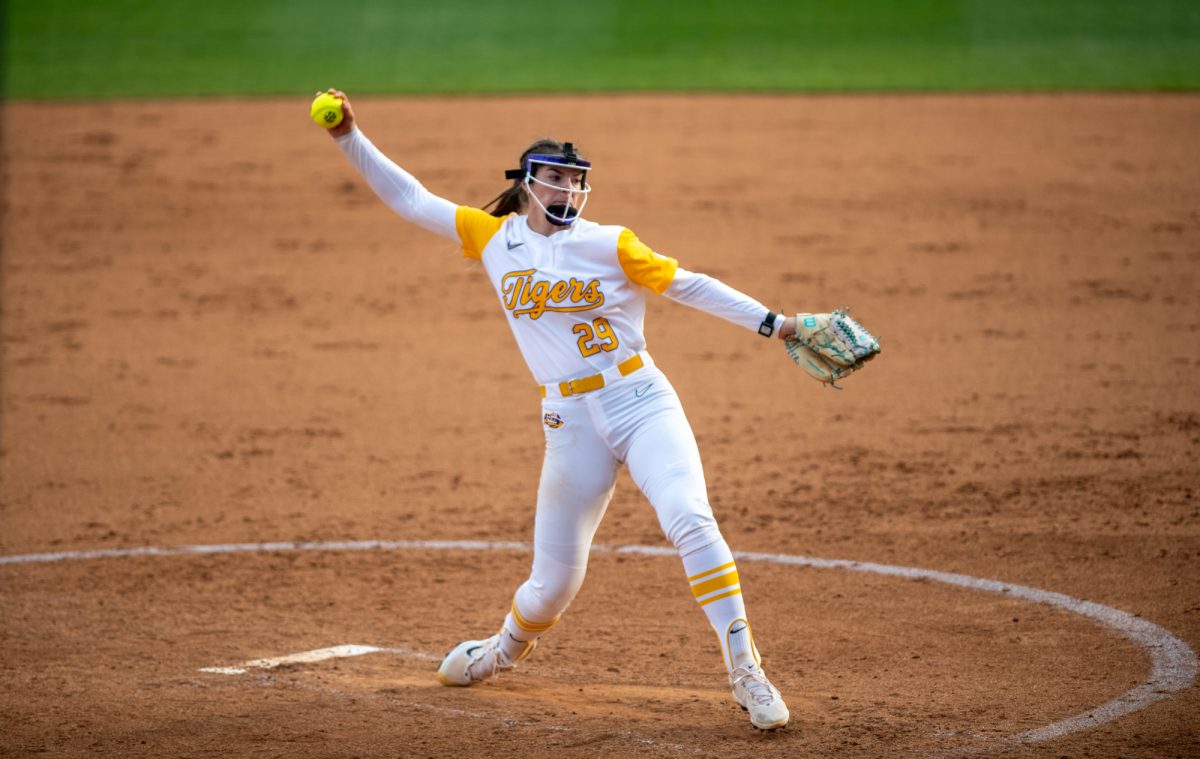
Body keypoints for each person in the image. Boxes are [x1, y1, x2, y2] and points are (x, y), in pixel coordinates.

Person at [317, 89, 800, 731]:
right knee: (551, 586)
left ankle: (746, 668)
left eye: (577, 182)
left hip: (640, 400)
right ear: (526, 184)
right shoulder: (491, 238)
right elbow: (411, 198)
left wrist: (777, 324)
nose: (569, 191)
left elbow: (688, 284)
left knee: (688, 515)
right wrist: (349, 135)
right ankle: (500, 652)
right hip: (568, 423)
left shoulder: (610, 243)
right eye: (557, 179)